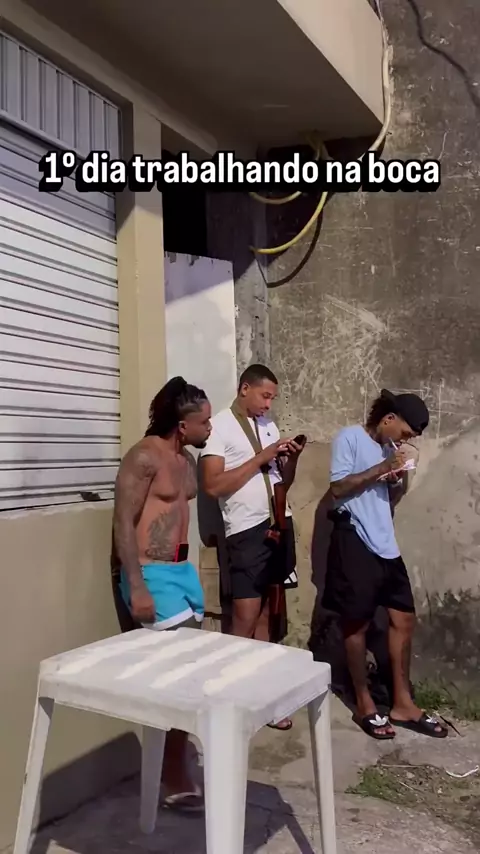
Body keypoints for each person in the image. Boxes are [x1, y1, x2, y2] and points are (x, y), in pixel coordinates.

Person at [322, 388, 448, 740]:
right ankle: (364, 703)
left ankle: (403, 703)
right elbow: (337, 488)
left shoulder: (390, 450)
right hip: (354, 539)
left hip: (385, 543)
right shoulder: (350, 437)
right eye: (405, 432)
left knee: (403, 617)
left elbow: (387, 497)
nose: (405, 440)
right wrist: (381, 468)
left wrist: (395, 479)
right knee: (356, 624)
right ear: (388, 419)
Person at [111, 376, 212, 811]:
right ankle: (172, 772)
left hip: (182, 571)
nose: (210, 428)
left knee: (189, 669)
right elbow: (122, 521)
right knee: (181, 674)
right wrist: (134, 584)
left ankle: (173, 760)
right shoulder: (144, 457)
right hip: (151, 573)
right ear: (182, 425)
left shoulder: (185, 459)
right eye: (204, 422)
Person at [199, 364, 304, 731]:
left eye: (272, 398)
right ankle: (228, 700)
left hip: (278, 523)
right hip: (245, 531)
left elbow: (283, 481)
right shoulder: (220, 428)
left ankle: (262, 698)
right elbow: (213, 486)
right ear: (245, 388)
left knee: (266, 616)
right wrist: (262, 456)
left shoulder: (268, 426)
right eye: (265, 396)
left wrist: (290, 458)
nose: (268, 404)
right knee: (243, 617)